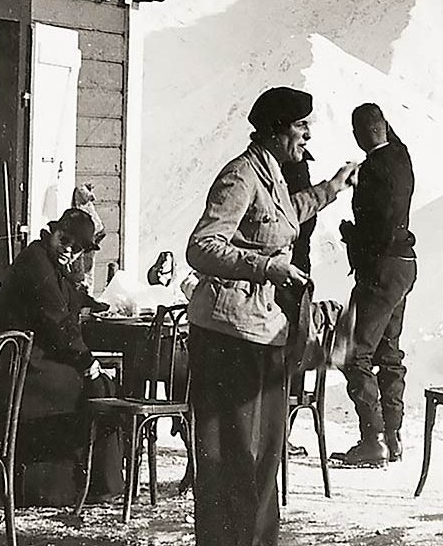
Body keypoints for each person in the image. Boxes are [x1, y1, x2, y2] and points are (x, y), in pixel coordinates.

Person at [186, 86, 358, 546]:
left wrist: (329, 191)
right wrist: (266, 267)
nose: (307, 135)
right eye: (301, 127)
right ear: (279, 130)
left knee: (264, 457)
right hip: (228, 336)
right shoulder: (239, 177)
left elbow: (282, 219)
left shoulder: (275, 176)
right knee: (233, 458)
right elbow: (201, 246)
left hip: (264, 332)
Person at [0, 207, 125, 504]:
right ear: (53, 233)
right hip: (14, 365)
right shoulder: (35, 262)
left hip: (33, 357)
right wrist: (86, 361)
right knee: (88, 385)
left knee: (100, 385)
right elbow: (55, 319)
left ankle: (96, 480)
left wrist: (93, 304)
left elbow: (66, 296)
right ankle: (80, 481)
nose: (68, 249)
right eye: (64, 240)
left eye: (76, 247)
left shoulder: (51, 263)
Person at [331, 104, 418, 468]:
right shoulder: (401, 156)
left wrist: (350, 234)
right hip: (405, 266)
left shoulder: (372, 170)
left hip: (380, 270)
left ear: (358, 135)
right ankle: (392, 437)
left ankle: (374, 439)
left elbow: (375, 227)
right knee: (389, 352)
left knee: (353, 351)